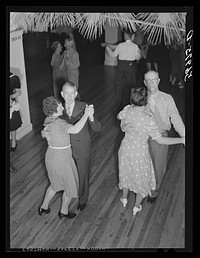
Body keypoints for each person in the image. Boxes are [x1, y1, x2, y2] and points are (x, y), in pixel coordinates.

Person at [117, 87, 185, 216]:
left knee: (126, 173)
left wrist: (124, 126)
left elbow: (119, 117)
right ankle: (136, 207)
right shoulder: (148, 119)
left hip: (125, 148)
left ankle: (124, 198)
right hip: (140, 152)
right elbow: (160, 140)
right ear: (146, 101)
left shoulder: (127, 109)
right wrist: (181, 140)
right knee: (141, 179)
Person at [42, 82, 101, 211]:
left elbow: (97, 128)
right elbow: (48, 123)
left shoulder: (84, 107)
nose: (69, 97)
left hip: (82, 149)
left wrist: (90, 117)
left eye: (72, 93)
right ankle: (65, 201)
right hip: (63, 153)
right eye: (66, 93)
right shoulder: (57, 109)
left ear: (76, 93)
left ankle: (82, 199)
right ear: (62, 94)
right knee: (68, 177)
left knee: (83, 175)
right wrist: (44, 132)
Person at [102, 30, 141, 107]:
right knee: (129, 84)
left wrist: (107, 48)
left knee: (118, 83)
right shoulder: (135, 46)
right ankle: (127, 101)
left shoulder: (120, 45)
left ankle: (118, 101)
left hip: (121, 65)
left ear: (125, 36)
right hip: (130, 65)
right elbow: (138, 57)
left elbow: (113, 55)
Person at [10, 72, 22, 152]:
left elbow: (18, 92)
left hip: (11, 105)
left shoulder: (14, 78)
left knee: (12, 125)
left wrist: (10, 96)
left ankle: (13, 141)